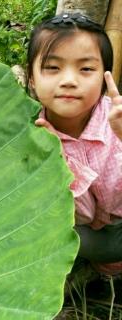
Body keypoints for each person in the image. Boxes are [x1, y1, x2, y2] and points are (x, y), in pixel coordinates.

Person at [26, 12, 122, 275]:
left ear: (105, 78)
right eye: (53, 68)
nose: (69, 80)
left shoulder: (117, 117)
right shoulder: (30, 135)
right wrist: (58, 159)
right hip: (92, 237)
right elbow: (81, 216)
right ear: (32, 79)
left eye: (86, 69)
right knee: (44, 232)